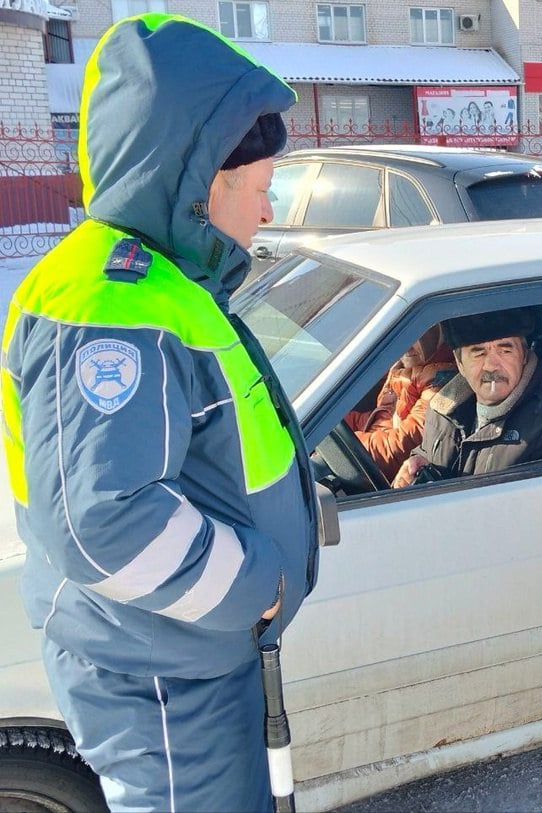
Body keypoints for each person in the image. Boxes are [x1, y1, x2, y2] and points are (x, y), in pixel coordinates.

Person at [1, 14, 319, 811]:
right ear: (203, 178)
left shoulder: (157, 285)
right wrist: (255, 583)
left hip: (183, 658)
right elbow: (102, 524)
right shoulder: (113, 308)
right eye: (261, 187)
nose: (269, 210)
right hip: (164, 679)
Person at [392, 307, 542, 487]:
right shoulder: (443, 409)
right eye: (478, 353)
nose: (491, 366)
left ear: (524, 356)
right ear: (460, 363)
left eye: (505, 351)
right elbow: (430, 452)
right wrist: (417, 461)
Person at [344, 324, 456, 481]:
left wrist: (348, 445)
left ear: (437, 332)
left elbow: (402, 445)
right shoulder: (400, 368)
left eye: (414, 336)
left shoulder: (443, 378)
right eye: (399, 338)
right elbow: (381, 418)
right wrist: (335, 427)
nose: (405, 346)